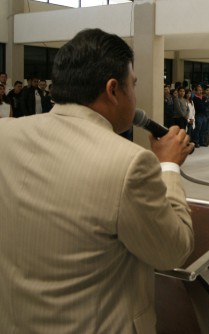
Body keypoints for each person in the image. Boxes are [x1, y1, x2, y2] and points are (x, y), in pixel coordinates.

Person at [0, 28, 194, 334]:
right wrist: (169, 166)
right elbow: (172, 251)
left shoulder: (5, 134)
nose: (135, 95)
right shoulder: (129, 162)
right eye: (133, 85)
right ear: (113, 89)